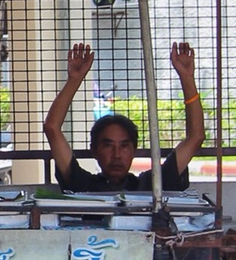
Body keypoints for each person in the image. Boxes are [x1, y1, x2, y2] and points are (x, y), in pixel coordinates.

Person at [44, 42, 206, 193]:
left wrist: (187, 78)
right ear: (94, 150)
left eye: (124, 146)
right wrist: (74, 79)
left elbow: (196, 137)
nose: (116, 155)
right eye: (108, 146)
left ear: (134, 150)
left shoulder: (151, 186)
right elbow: (52, 127)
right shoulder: (82, 185)